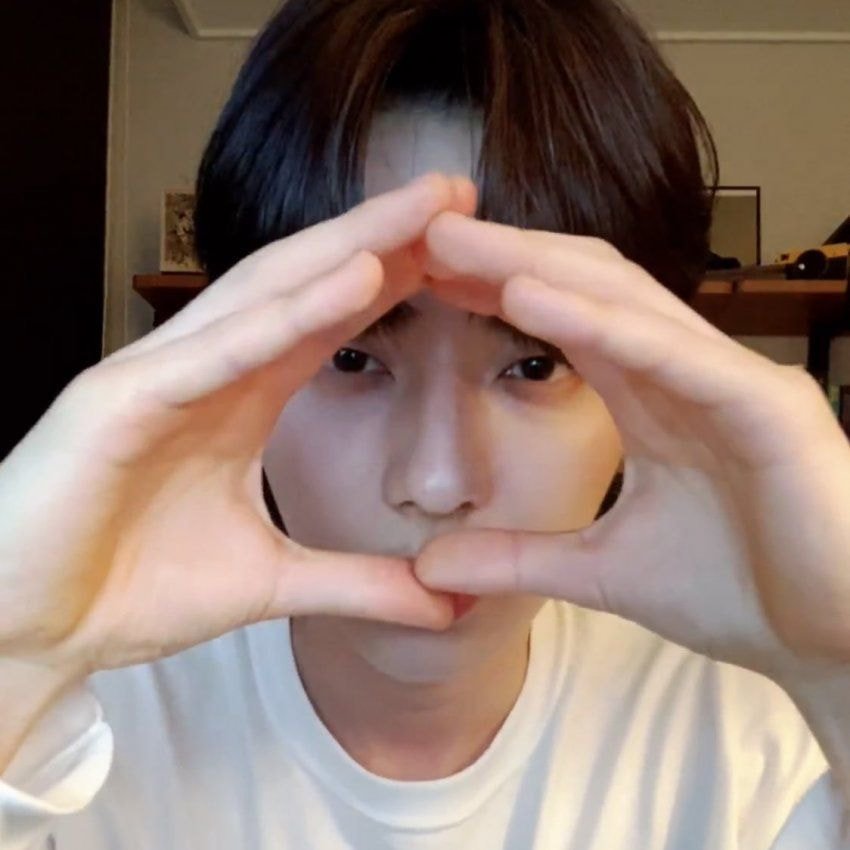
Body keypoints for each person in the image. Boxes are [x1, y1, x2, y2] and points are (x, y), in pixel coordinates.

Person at [2, 0, 850, 847]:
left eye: (535, 365)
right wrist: (12, 660)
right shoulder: (62, 719)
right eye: (350, 357)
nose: (438, 483)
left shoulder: (766, 743)